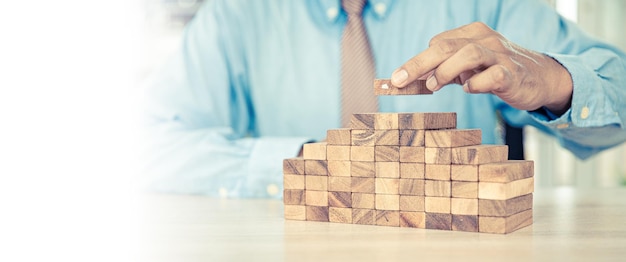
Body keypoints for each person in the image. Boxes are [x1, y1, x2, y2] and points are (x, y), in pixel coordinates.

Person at [141, 0, 626, 197]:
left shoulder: (487, 3)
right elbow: (145, 147)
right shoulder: (235, 14)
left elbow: (617, 98)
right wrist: (309, 163)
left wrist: (556, 82)